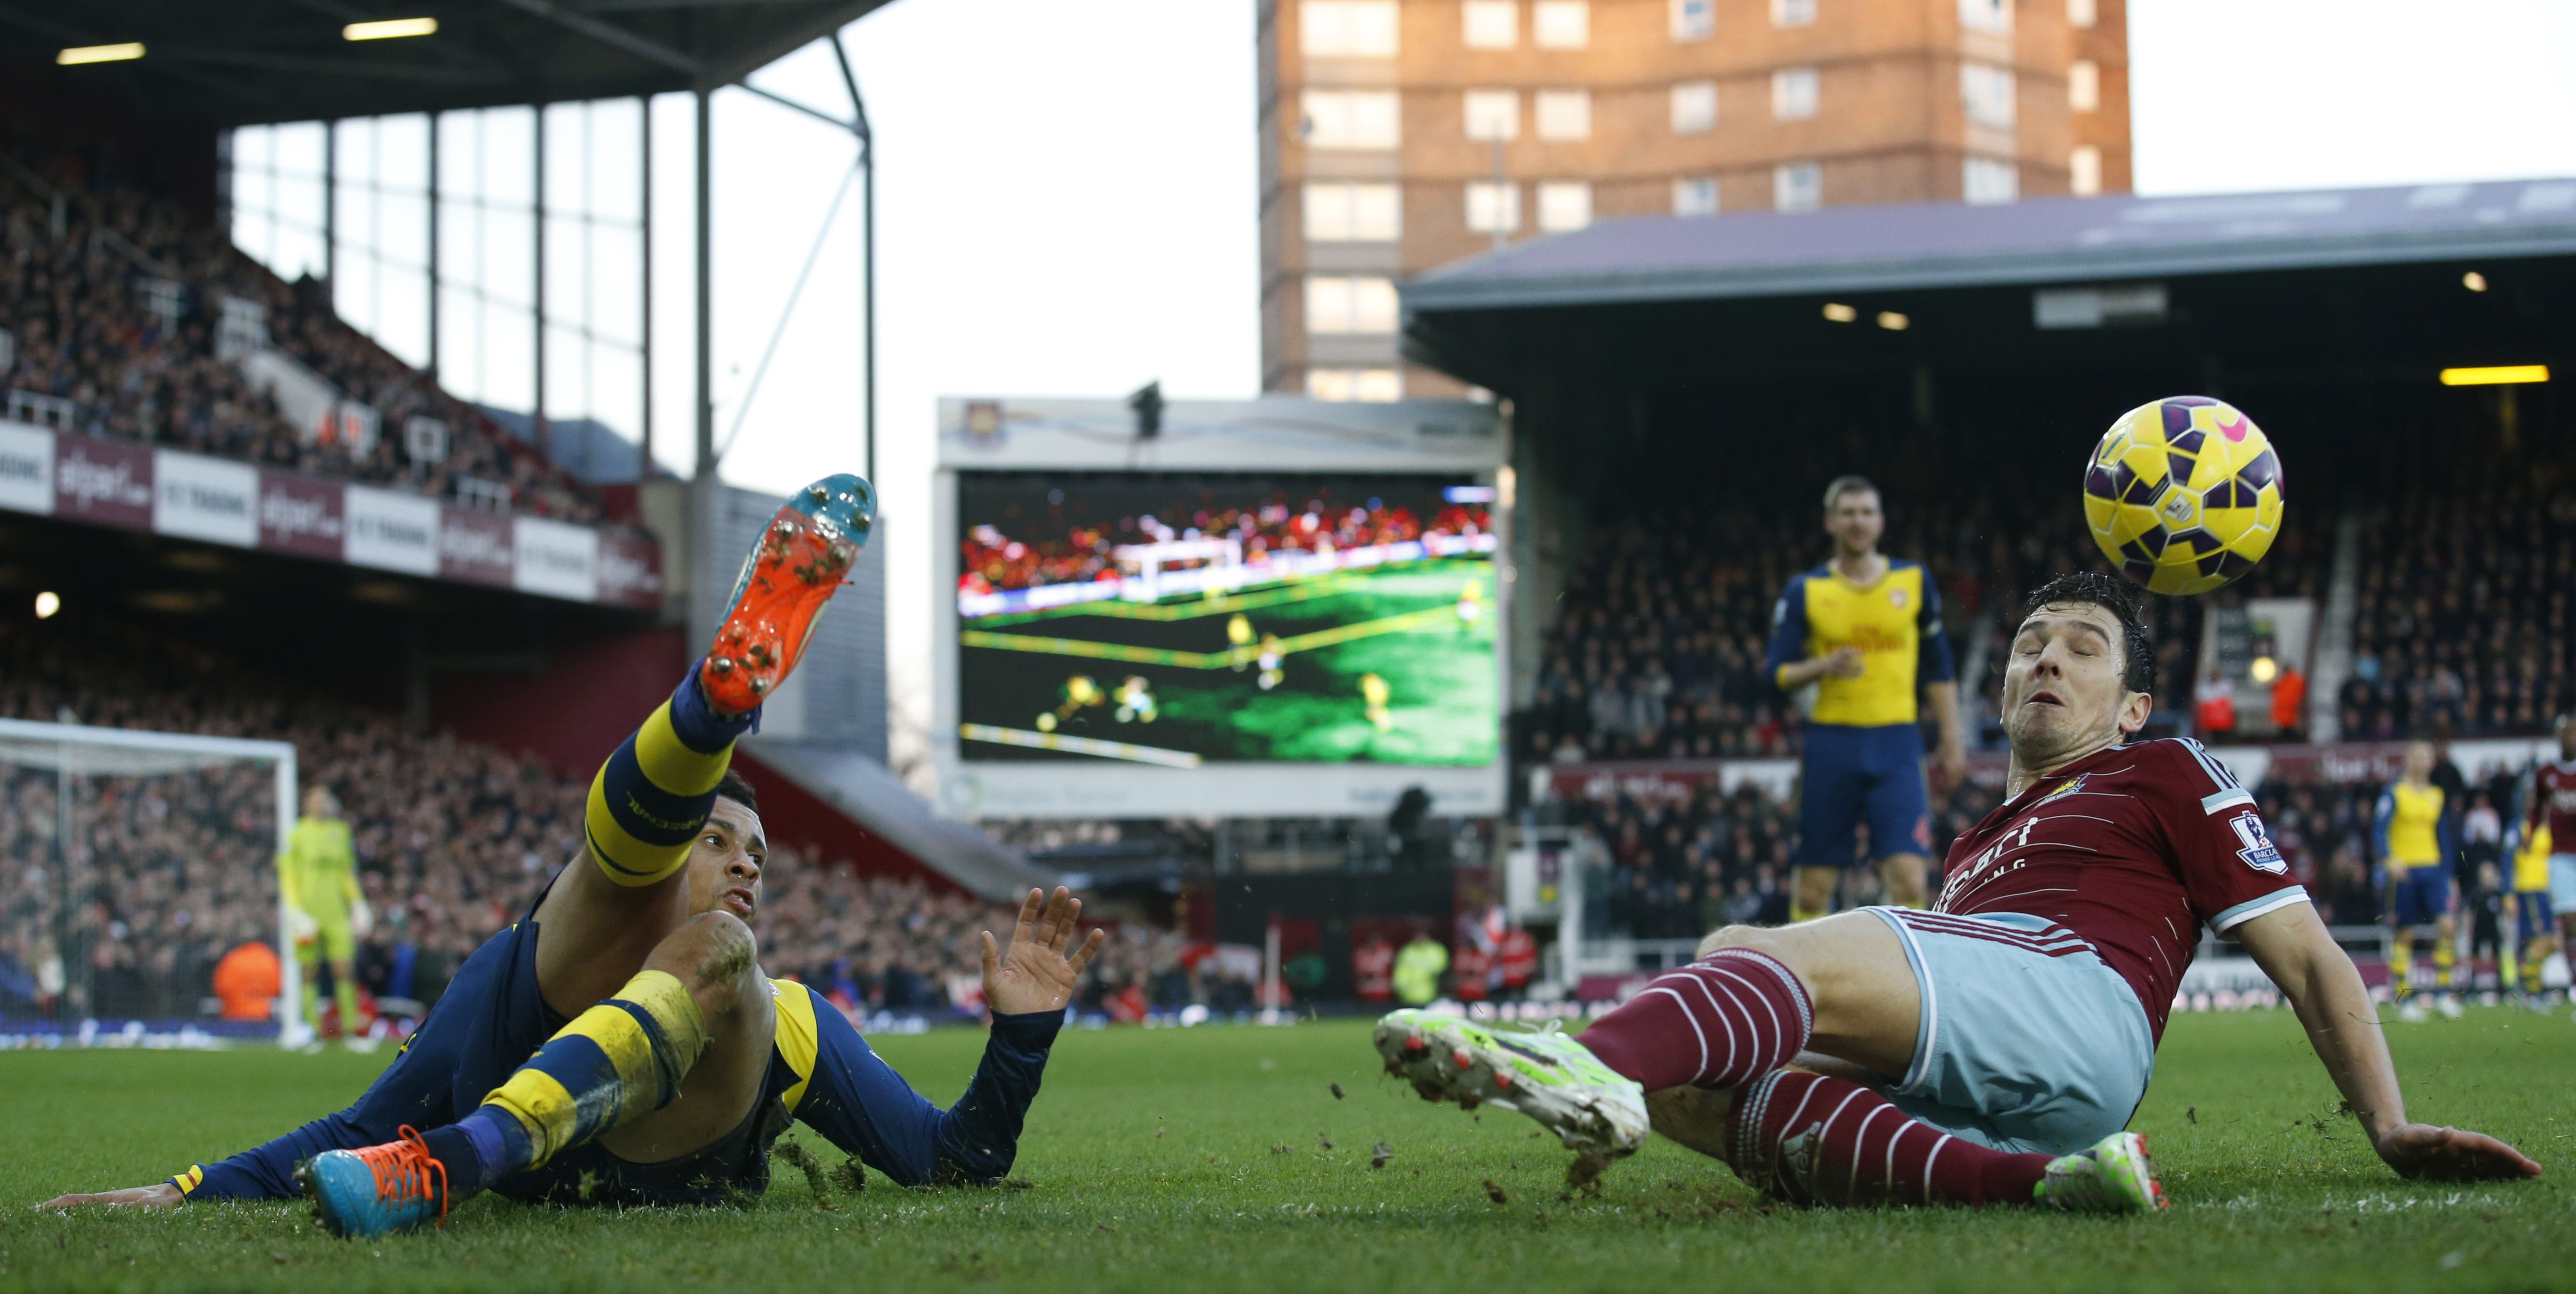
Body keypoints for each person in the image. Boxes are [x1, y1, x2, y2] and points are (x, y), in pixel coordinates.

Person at [39, 475, 1106, 1238]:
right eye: (720, 840)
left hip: (668, 1134)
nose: (748, 864)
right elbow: (360, 1124)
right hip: (560, 1001)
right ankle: (712, 710)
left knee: (728, 961)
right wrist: (183, 1192)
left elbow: (952, 1159)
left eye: (761, 855)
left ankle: (452, 1163)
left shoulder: (798, 1024)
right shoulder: (506, 972)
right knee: (615, 899)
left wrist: (1022, 1035)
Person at [1379, 573, 2538, 1211]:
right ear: (2002, 682)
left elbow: (2311, 959)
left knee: (1760, 952)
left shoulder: (2164, 767)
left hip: (2077, 1003)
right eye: (2030, 643)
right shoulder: (1979, 841)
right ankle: (2046, 1185)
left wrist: (2387, 1124)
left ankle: (1575, 1058)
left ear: (2132, 705)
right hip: (2037, 1087)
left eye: (2082, 647)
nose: (2047, 658)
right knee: (1711, 1073)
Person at [1764, 476, 1963, 922]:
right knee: (1813, 890)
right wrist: (1822, 666)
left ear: (1881, 522)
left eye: (1867, 512)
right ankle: (1810, 967)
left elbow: (1939, 667)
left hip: (1897, 744)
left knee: (1911, 880)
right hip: (1831, 744)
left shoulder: (1913, 581)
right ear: (1830, 522)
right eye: (1849, 513)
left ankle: (1903, 966)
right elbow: (1776, 674)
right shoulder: (1807, 591)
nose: (1859, 521)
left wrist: (1953, 739)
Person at [280, 785, 372, 1044]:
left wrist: (358, 904)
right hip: (307, 914)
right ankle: (311, 1030)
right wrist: (295, 911)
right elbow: (289, 875)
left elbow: (347, 873)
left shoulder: (341, 832)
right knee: (309, 970)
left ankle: (351, 1030)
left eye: (325, 800)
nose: (321, 804)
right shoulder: (297, 834)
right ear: (307, 804)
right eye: (316, 800)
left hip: (336, 914)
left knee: (344, 968)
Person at [2377, 741, 2462, 1020]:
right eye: (2415, 756)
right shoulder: (2394, 792)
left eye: (2425, 757)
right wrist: (2390, 859)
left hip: (2433, 869)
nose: (2420, 761)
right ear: (2407, 761)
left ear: (2432, 763)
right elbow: (2379, 830)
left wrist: (2450, 875)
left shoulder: (2437, 795)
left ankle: (2444, 994)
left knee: (2447, 926)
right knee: (2406, 934)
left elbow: (2443, 837)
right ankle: (2403, 998)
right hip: (2405, 871)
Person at [2520, 718, 2576, 1014]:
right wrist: (2531, 833)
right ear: (2558, 738)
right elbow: (2536, 808)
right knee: (2569, 922)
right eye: (2566, 734)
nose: (2571, 739)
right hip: (2561, 855)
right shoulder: (2547, 774)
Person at [1391, 928, 1447, 1007]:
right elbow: (1400, 970)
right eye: (1419, 936)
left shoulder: (1436, 950)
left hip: (1429, 995)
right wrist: (1399, 985)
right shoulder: (1407, 951)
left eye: (1423, 936)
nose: (1421, 938)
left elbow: (1441, 970)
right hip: (1407, 995)